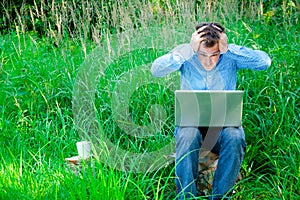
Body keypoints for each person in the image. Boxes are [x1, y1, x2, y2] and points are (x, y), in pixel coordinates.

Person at [151, 22, 271, 199]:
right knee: (187, 134)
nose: (209, 60)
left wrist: (227, 48)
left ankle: (220, 197)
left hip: (223, 130)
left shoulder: (229, 55)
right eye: (203, 54)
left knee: (235, 136)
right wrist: (187, 51)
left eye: (214, 54)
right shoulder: (186, 55)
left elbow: (265, 62)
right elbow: (156, 70)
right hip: (192, 129)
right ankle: (186, 197)